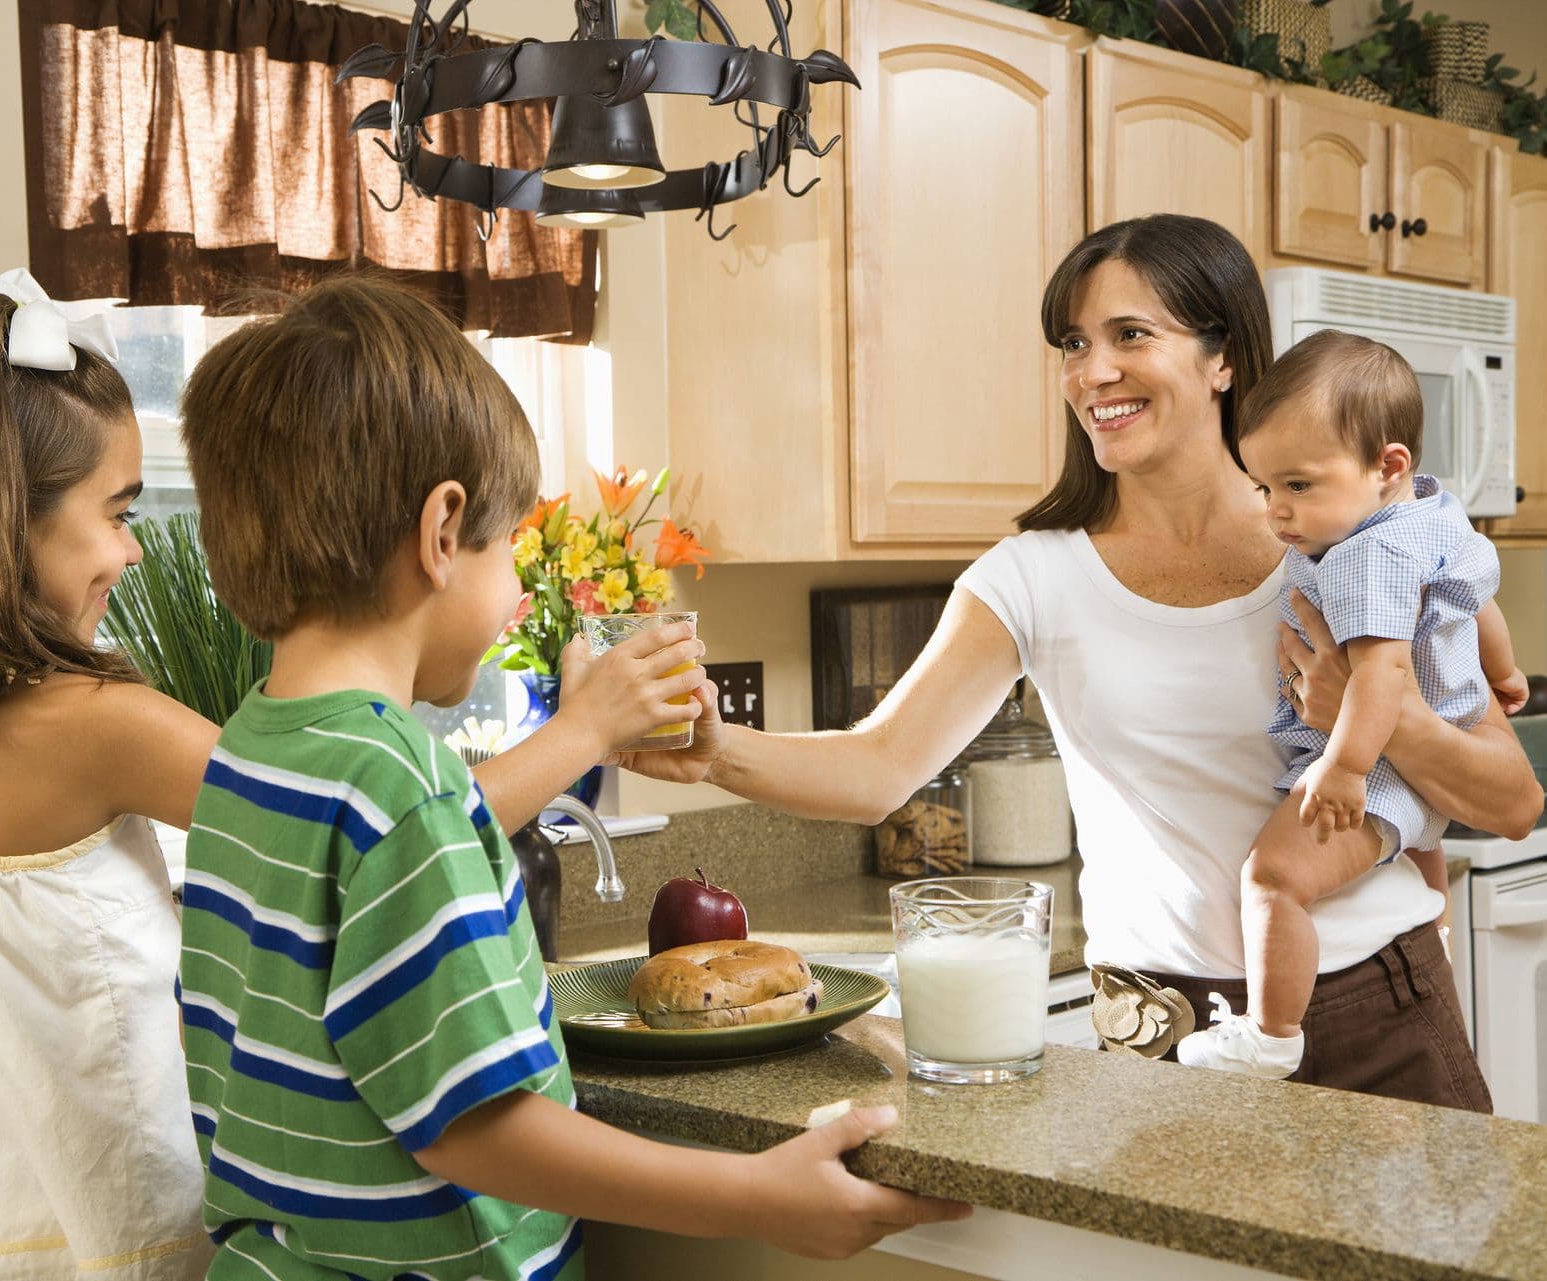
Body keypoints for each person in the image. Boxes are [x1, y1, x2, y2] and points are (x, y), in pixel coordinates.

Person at [0, 271, 701, 1281]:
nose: (128, 548)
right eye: (115, 511)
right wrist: (585, 729)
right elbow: (359, 826)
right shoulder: (95, 726)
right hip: (117, 1246)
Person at [627, 215, 1541, 1110]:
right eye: (1074, 341)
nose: (1092, 371)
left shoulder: (1354, 546)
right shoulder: (1032, 577)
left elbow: (1510, 802)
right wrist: (716, 751)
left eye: (1131, 334)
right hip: (1159, 1046)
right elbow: (878, 767)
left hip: (1376, 1015)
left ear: (1224, 357)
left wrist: (1383, 713)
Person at [174, 274, 968, 1279]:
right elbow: (473, 1127)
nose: (515, 589)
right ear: (441, 533)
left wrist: (585, 730)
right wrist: (754, 1198)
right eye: (509, 546)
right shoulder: (399, 782)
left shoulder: (256, 749)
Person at [1172, 329, 1527, 1078]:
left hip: (1379, 771)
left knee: (1273, 878)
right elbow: (1475, 596)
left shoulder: (1368, 555)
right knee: (1419, 880)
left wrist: (1342, 767)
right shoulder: (1430, 509)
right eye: (1264, 487)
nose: (1277, 511)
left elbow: (1380, 676)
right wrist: (1505, 670)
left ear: (1386, 464)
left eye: (1298, 485)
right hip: (1434, 763)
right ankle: (1433, 926)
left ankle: (1270, 1036)